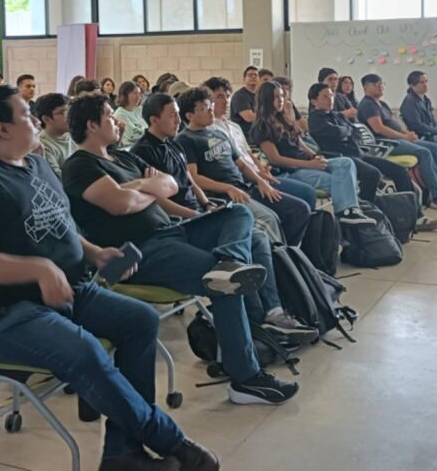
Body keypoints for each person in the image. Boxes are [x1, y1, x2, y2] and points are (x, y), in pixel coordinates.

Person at [0, 87, 220, 471]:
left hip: (72, 289)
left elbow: (61, 226)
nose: (35, 120)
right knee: (86, 350)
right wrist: (39, 269)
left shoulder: (35, 165)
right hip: (4, 311)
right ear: (2, 128)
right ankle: (168, 439)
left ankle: (122, 454)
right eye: (26, 114)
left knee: (140, 320)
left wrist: (94, 253)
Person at [62, 93, 299, 406]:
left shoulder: (123, 158)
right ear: (92, 125)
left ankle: (229, 263)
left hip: (173, 231)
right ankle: (246, 377)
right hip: (138, 253)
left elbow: (171, 184)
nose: (117, 121)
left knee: (238, 214)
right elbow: (120, 204)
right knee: (226, 285)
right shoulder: (79, 165)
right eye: (109, 115)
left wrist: (138, 187)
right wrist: (147, 186)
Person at [129, 94, 317, 345]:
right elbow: (156, 199)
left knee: (257, 236)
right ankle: (255, 318)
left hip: (201, 213)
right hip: (180, 223)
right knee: (247, 230)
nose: (177, 121)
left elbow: (191, 181)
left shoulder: (173, 143)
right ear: (154, 119)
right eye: (172, 115)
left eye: (177, 114)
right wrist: (196, 213)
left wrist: (206, 205)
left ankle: (273, 311)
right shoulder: (143, 151)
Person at [177, 87, 312, 247]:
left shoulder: (219, 133)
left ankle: (288, 252)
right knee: (269, 219)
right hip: (224, 195)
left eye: (210, 105)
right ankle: (281, 257)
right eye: (204, 108)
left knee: (299, 210)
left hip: (245, 186)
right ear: (190, 116)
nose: (211, 110)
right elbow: (194, 178)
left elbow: (241, 164)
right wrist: (228, 188)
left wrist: (260, 181)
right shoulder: (185, 140)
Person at [307, 83, 437, 232]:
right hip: (341, 158)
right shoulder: (315, 119)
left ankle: (416, 216)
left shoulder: (337, 115)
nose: (330, 99)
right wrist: (346, 131)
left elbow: (355, 132)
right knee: (372, 174)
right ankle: (367, 212)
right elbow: (338, 132)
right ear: (314, 101)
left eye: (331, 96)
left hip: (359, 154)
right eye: (325, 97)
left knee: (399, 171)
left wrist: (345, 131)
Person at [251, 82, 374, 228]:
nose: (281, 100)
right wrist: (310, 164)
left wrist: (315, 156)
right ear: (266, 99)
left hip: (306, 163)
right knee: (341, 182)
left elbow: (300, 144)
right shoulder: (262, 126)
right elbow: (275, 159)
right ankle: (346, 213)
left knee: (345, 163)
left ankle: (347, 211)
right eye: (276, 97)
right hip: (291, 171)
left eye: (282, 96)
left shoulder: (284, 120)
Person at [204, 77, 318, 212]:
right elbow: (234, 162)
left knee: (307, 193)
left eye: (228, 96)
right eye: (219, 97)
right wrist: (258, 176)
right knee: (299, 206)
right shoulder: (209, 130)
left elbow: (248, 154)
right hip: (245, 179)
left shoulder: (234, 127)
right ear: (208, 101)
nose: (226, 101)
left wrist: (261, 168)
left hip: (258, 174)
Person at [357, 74, 437, 213]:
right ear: (365, 87)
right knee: (424, 152)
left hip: (398, 139)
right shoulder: (368, 105)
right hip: (387, 143)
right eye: (376, 84)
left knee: (434, 148)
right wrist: (404, 136)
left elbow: (394, 124)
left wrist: (408, 134)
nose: (380, 87)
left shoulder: (382, 104)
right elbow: (379, 129)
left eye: (381, 84)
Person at [36, 92, 74, 178]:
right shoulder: (43, 145)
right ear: (46, 119)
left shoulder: (75, 135)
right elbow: (57, 178)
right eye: (63, 112)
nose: (69, 116)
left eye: (69, 111)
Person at [229, 66, 260, 139]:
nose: (253, 77)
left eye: (255, 75)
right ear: (244, 79)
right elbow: (249, 117)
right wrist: (268, 114)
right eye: (250, 75)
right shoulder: (239, 96)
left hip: (257, 133)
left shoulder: (260, 95)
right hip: (244, 136)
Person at [114, 81, 147, 148]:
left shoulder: (140, 109)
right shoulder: (120, 114)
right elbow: (133, 135)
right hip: (129, 147)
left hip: (143, 144)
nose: (138, 97)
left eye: (139, 94)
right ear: (125, 95)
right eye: (135, 93)